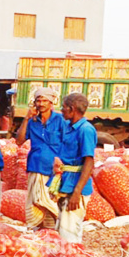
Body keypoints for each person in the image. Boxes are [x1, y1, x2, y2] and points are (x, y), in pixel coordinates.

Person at [16, 87, 65, 231]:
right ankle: (36, 231)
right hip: (36, 166)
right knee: (35, 201)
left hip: (54, 170)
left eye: (45, 101)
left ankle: (55, 230)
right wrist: (26, 118)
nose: (41, 104)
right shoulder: (32, 122)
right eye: (39, 100)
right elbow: (19, 141)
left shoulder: (60, 120)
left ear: (51, 103)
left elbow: (67, 142)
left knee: (50, 201)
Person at [53, 93, 97, 243]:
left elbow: (89, 162)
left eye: (64, 107)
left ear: (72, 109)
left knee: (69, 230)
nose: (61, 110)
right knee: (62, 227)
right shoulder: (69, 127)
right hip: (66, 183)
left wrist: (77, 192)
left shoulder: (85, 130)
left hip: (76, 186)